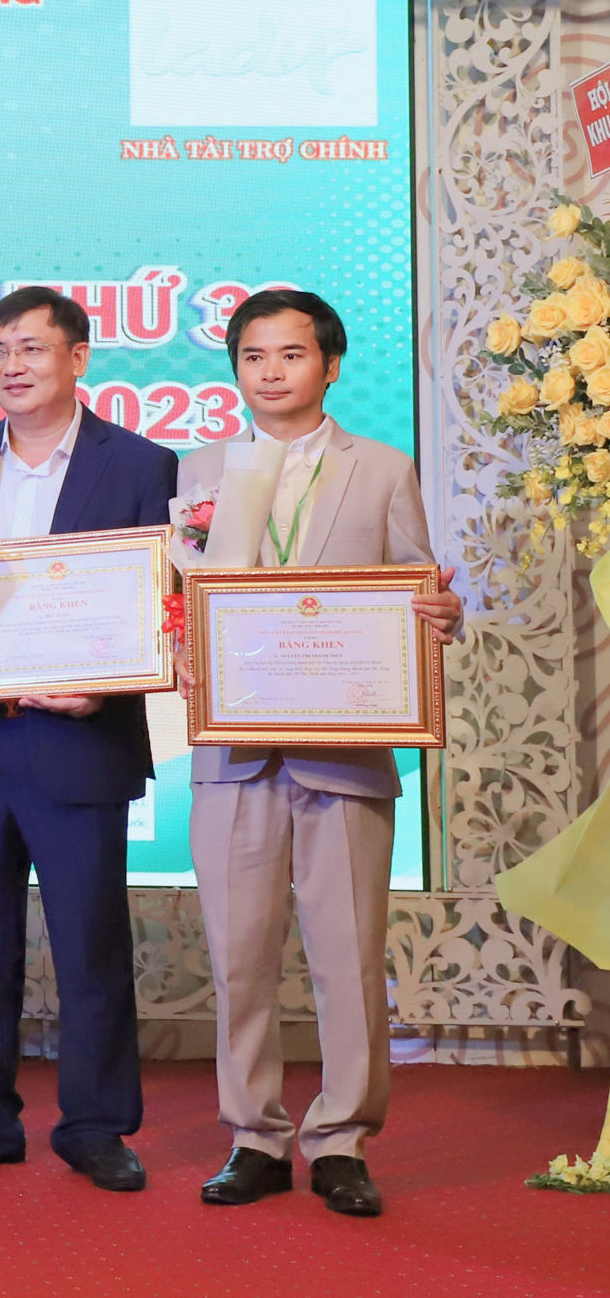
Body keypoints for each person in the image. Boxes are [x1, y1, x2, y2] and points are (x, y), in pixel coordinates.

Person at [184, 290, 460, 1217]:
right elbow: (178, 606)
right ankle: (254, 1137)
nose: (272, 370)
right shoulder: (196, 473)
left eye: (291, 354)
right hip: (233, 758)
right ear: (237, 371)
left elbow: (417, 593)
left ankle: (343, 1141)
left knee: (347, 960)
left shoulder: (381, 468)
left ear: (330, 365)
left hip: (343, 755)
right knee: (240, 960)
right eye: (254, 356)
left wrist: (438, 620)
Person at [0, 286, 177, 1193]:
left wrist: (106, 685)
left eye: (29, 349)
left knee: (89, 941)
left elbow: (161, 608)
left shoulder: (141, 463)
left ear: (79, 357)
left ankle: (96, 1125)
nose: (11, 367)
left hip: (79, 741)